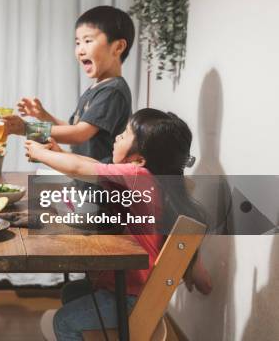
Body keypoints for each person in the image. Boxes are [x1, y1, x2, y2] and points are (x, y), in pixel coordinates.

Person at [25, 108, 209, 341]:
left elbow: (79, 168)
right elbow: (88, 164)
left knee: (63, 321)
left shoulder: (138, 177)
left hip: (132, 296)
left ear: (139, 160)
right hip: (132, 288)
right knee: (74, 291)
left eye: (125, 134)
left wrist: (38, 153)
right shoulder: (150, 178)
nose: (117, 137)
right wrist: (60, 153)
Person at [4, 6, 134, 164]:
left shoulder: (113, 91)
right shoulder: (98, 88)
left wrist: (26, 129)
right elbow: (74, 127)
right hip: (84, 180)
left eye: (87, 41)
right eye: (78, 42)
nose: (80, 50)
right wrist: (44, 115)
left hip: (99, 185)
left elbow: (79, 134)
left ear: (118, 47)